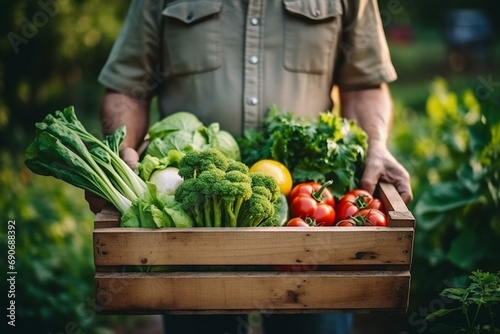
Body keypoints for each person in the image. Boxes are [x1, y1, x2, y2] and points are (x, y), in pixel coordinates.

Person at [90, 0, 413, 333]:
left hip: (309, 227)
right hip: (192, 227)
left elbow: (363, 84)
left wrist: (375, 144)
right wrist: (122, 149)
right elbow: (128, 88)